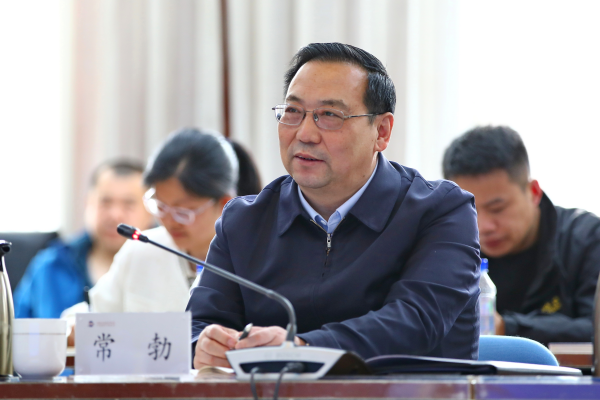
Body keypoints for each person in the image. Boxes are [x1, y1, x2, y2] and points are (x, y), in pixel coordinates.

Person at [189, 42, 480, 369]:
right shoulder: (244, 221)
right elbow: (198, 324)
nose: (305, 133)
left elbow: (416, 321)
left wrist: (302, 349)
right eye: (293, 112)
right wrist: (203, 346)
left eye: (329, 115)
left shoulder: (441, 211)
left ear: (381, 131)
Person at [443, 125, 600, 344]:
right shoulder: (450, 250)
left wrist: (506, 328)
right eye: (470, 211)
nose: (484, 226)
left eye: (497, 208)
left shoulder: (586, 239)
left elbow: (593, 329)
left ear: (533, 192)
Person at [87, 128, 261, 313]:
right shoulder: (141, 251)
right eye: (161, 206)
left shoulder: (259, 260)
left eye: (183, 212)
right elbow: (94, 315)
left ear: (224, 203)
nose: (170, 222)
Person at [14, 159, 154, 318]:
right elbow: (14, 328)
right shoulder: (52, 266)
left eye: (129, 204)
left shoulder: (168, 264)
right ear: (88, 203)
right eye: (105, 202)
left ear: (150, 211)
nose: (115, 215)